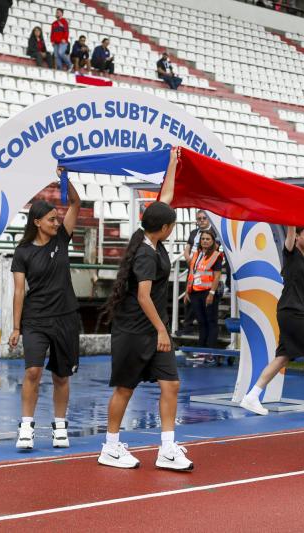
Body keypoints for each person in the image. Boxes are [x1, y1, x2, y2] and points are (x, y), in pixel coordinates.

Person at [99, 149, 192, 470]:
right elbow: (142, 296)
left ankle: (167, 447)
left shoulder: (150, 237)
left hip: (153, 331)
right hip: (136, 331)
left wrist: (172, 165)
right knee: (125, 388)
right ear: (165, 228)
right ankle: (110, 446)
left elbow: (163, 201)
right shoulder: (145, 254)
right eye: (171, 224)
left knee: (172, 384)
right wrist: (163, 330)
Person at [9, 172, 81, 450]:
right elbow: (18, 291)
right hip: (35, 319)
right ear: (37, 222)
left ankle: (59, 426)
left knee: (61, 375)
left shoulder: (62, 238)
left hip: (66, 317)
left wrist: (65, 180)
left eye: (56, 218)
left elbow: (76, 203)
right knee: (33, 372)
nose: (56, 222)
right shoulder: (23, 251)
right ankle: (26, 426)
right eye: (51, 219)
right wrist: (16, 327)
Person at [239, 225, 304, 417]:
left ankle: (252, 396)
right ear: (297, 237)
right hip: (291, 312)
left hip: (295, 312)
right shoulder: (290, 253)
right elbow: (290, 230)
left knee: (282, 358)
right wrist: (292, 217)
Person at [184, 228, 222, 358]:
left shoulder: (216, 255)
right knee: (201, 321)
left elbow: (217, 276)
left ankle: (210, 352)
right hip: (195, 292)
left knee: (211, 321)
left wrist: (211, 293)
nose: (205, 241)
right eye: (203, 239)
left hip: (208, 293)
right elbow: (192, 273)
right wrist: (187, 291)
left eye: (208, 239)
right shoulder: (196, 254)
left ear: (213, 241)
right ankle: (201, 350)